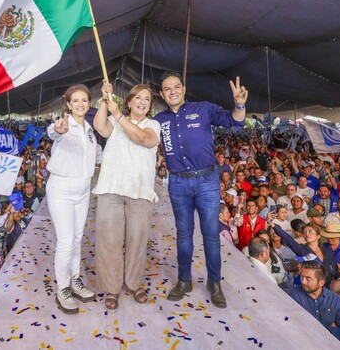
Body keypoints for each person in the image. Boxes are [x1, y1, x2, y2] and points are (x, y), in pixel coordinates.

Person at [154, 71, 247, 308]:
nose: (172, 91)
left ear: (184, 89)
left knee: (210, 235)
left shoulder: (204, 109)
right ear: (162, 94)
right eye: (167, 89)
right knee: (184, 235)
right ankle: (184, 281)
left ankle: (214, 283)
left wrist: (239, 104)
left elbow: (235, 121)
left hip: (207, 182)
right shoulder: (159, 119)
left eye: (176, 87)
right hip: (178, 183)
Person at [93, 81, 161, 311]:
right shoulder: (114, 120)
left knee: (136, 241)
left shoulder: (153, 125)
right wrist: (105, 100)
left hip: (140, 191)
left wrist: (119, 115)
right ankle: (112, 288)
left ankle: (133, 283)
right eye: (138, 98)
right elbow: (100, 127)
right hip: (111, 188)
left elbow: (142, 139)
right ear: (129, 101)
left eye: (147, 99)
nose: (142, 102)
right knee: (109, 241)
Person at [46, 84, 102, 314]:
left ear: (89, 104)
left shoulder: (90, 130)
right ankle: (63, 289)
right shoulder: (63, 126)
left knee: (78, 238)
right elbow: (53, 132)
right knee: (66, 241)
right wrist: (58, 130)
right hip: (61, 189)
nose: (80, 104)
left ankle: (75, 280)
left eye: (84, 100)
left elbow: (99, 156)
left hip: (82, 190)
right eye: (75, 100)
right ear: (68, 104)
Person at [286, 260, 340, 344]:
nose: (303, 282)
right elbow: (292, 324)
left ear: (321, 282)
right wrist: (329, 329)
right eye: (302, 276)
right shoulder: (294, 295)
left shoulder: (335, 300)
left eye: (308, 279)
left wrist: (316, 327)